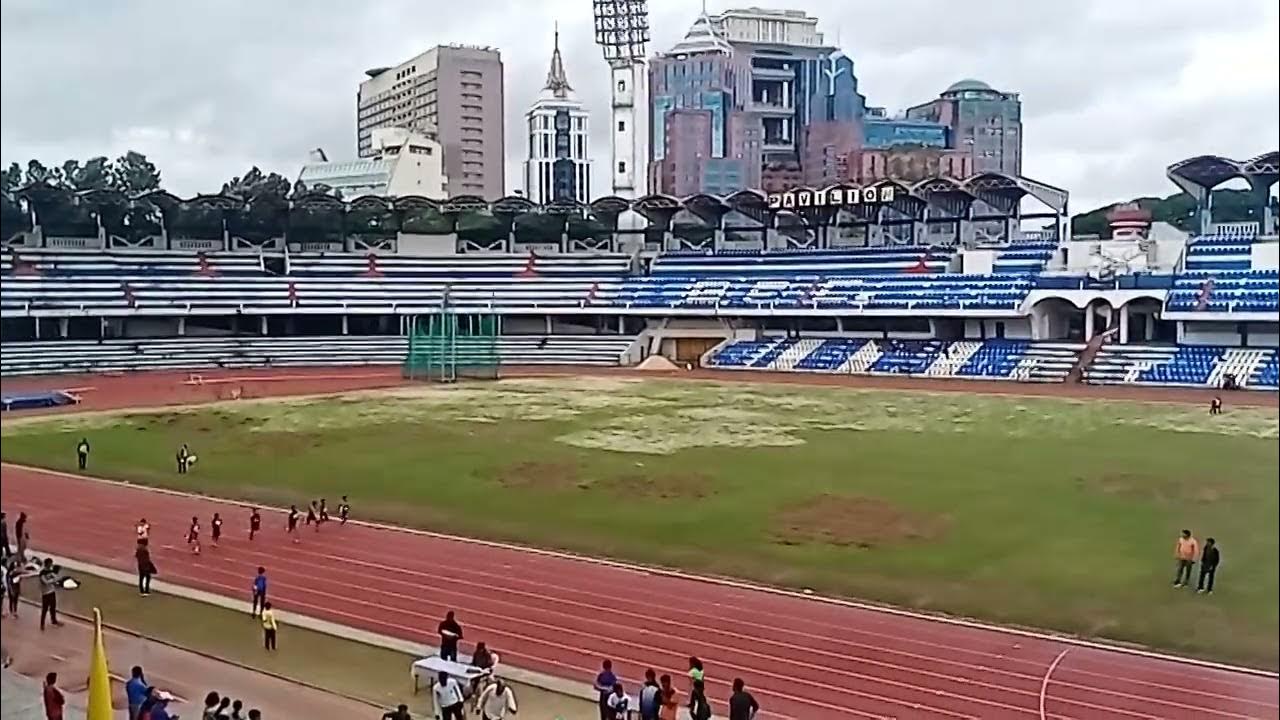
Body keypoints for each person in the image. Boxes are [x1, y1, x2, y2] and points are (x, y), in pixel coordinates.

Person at [39, 557, 61, 630]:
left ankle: (54, 621)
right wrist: (53, 580)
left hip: (52, 592)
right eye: (50, 563)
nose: (51, 565)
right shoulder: (42, 573)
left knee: (53, 607)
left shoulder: (51, 572)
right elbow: (45, 582)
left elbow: (57, 578)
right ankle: (42, 624)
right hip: (45, 593)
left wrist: (55, 578)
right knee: (44, 609)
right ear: (47, 564)